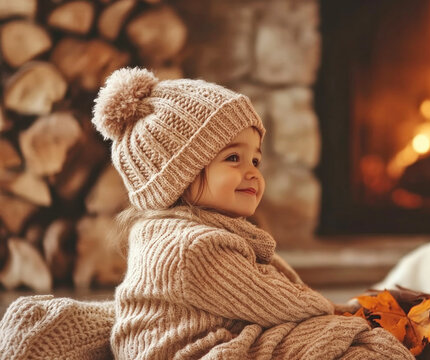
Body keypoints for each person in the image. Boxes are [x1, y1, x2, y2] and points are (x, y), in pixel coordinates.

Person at [91, 68, 413, 359]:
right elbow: (279, 302)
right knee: (357, 348)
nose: (252, 173)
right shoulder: (190, 246)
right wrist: (342, 314)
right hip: (192, 351)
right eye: (233, 158)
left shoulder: (213, 230)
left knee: (339, 336)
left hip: (220, 336)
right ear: (179, 175)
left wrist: (345, 311)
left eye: (256, 161)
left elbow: (280, 291)